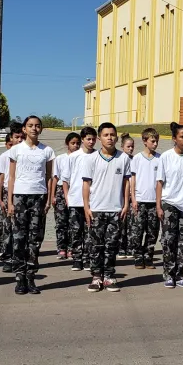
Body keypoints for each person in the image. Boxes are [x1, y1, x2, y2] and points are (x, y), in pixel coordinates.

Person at [8, 116, 55, 295]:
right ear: (24, 129)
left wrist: (49, 200)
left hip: (39, 197)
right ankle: (20, 278)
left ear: (41, 129)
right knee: (19, 238)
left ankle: (31, 277)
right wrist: (10, 201)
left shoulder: (47, 151)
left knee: (35, 239)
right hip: (20, 197)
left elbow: (50, 177)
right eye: (30, 126)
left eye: (37, 126)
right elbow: (11, 177)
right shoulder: (16, 150)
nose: (34, 128)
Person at [81, 122, 131, 292]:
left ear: (116, 137)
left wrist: (126, 204)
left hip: (116, 209)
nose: (110, 138)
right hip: (96, 209)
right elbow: (86, 185)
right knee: (96, 245)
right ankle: (96, 277)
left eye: (112, 135)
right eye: (106, 135)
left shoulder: (123, 158)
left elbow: (126, 183)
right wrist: (87, 207)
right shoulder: (91, 159)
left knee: (111, 245)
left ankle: (109, 275)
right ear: (99, 138)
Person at [157, 122, 183, 288]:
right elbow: (159, 183)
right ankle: (168, 273)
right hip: (170, 204)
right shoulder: (166, 157)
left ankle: (180, 273)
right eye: (182, 137)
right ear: (174, 138)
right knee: (169, 240)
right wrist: (159, 206)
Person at [0, 122, 24, 272]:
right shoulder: (3, 158)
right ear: (11, 139)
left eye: (22, 137)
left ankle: (19, 258)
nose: (20, 140)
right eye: (17, 137)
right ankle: (7, 258)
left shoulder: (27, 154)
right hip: (5, 195)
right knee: (6, 228)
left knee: (20, 228)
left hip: (22, 194)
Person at [128, 128, 161, 270]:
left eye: (156, 141)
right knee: (137, 231)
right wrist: (133, 198)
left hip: (154, 201)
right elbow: (132, 179)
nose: (155, 144)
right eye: (152, 141)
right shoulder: (137, 158)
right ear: (145, 141)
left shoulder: (160, 158)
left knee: (152, 232)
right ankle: (138, 257)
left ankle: (148, 257)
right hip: (140, 201)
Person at [65, 126, 97, 272]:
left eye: (93, 139)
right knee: (76, 231)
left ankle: (89, 258)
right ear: (82, 139)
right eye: (88, 139)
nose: (91, 142)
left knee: (90, 231)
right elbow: (65, 180)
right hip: (75, 199)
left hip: (92, 201)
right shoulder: (73, 157)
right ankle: (77, 258)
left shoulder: (98, 156)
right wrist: (67, 198)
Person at [52, 132, 81, 260]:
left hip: (75, 191)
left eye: (77, 143)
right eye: (73, 143)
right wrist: (52, 195)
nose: (75, 146)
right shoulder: (60, 158)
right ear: (67, 144)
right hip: (60, 191)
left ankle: (71, 248)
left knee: (73, 222)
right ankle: (61, 247)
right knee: (61, 221)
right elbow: (55, 177)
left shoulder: (81, 157)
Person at [119, 134, 136, 259]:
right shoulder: (120, 159)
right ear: (122, 147)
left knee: (132, 223)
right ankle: (121, 248)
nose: (130, 149)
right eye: (128, 146)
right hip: (120, 195)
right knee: (121, 222)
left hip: (132, 196)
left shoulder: (135, 159)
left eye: (132, 146)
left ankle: (130, 247)